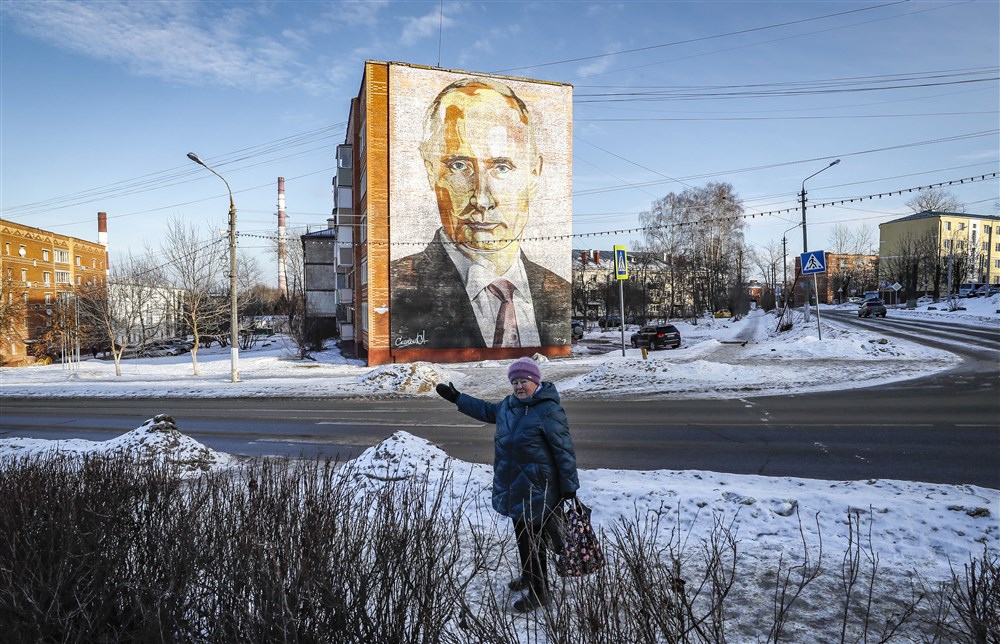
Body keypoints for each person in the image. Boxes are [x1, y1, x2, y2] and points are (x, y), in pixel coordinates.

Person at [391, 77, 571, 350]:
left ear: (534, 174)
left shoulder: (560, 292)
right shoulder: (396, 289)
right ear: (431, 171)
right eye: (459, 166)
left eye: (501, 167)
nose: (482, 199)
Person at [435, 357, 579, 612]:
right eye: (515, 382)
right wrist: (458, 398)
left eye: (524, 381)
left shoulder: (548, 410)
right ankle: (528, 575)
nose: (519, 387)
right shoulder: (509, 406)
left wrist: (569, 486)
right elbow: (486, 411)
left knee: (535, 541)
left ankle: (540, 590)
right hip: (514, 485)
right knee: (522, 537)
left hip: (538, 489)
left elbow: (564, 450)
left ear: (535, 382)